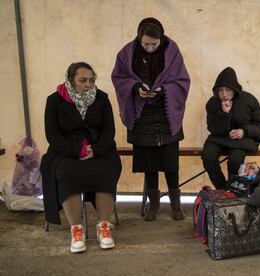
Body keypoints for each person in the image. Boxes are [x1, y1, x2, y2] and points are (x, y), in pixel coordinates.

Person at [111, 18, 190, 221]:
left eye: (154, 44)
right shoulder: (127, 53)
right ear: (139, 38)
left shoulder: (172, 52)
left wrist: (163, 90)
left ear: (161, 38)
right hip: (142, 115)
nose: (150, 48)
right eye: (146, 43)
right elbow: (119, 78)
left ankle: (176, 206)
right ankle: (154, 205)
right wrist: (136, 88)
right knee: (150, 164)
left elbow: (182, 80)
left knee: (171, 164)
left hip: (166, 115)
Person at [40, 62, 122, 253]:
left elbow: (109, 130)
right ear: (70, 80)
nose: (88, 84)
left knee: (107, 168)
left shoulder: (102, 98)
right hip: (66, 151)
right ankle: (76, 230)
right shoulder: (54, 101)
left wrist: (97, 149)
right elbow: (52, 135)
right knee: (67, 172)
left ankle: (103, 227)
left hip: (99, 148)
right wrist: (77, 151)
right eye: (82, 80)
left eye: (91, 80)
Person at [202, 67, 260, 190]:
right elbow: (213, 129)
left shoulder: (248, 100)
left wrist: (244, 131)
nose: (224, 94)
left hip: (242, 141)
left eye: (228, 90)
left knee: (235, 159)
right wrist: (224, 114)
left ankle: (234, 190)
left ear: (235, 89)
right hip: (219, 139)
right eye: (220, 90)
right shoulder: (212, 103)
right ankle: (223, 189)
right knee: (208, 157)